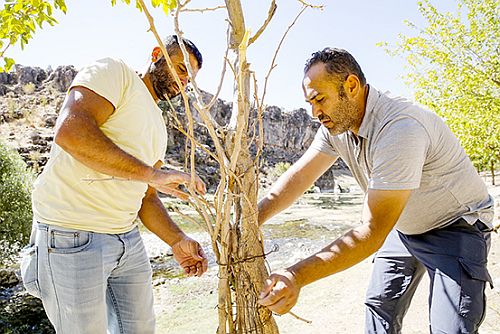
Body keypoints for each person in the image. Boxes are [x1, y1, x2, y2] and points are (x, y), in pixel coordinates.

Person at [257, 47, 494, 333]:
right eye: (310, 102)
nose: (315, 112)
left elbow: (371, 232)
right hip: (403, 225)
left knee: (451, 328)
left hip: (455, 227)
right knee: (380, 306)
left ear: (352, 86)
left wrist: (295, 275)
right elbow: (298, 177)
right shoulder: (336, 126)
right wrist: (251, 220)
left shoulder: (400, 128)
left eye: (320, 100)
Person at [20, 35, 208, 334]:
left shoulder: (158, 127)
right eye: (181, 68)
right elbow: (71, 131)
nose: (185, 80)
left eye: (191, 78)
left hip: (127, 242)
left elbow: (145, 196)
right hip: (71, 236)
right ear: (157, 53)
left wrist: (176, 240)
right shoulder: (115, 73)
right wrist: (151, 174)